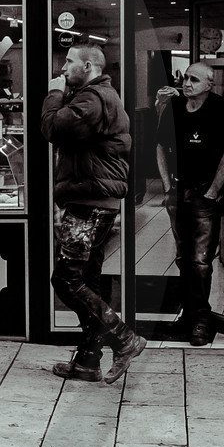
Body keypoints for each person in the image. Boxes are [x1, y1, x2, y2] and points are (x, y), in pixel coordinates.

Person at [39, 44, 147, 384]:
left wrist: (53, 95)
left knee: (66, 279)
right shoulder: (97, 96)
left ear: (88, 65)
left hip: (89, 202)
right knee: (87, 280)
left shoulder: (92, 98)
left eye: (69, 62)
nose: (64, 67)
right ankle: (87, 360)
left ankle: (124, 337)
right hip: (95, 200)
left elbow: (53, 129)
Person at [154, 63, 224, 346]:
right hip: (178, 191)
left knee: (201, 260)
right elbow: (160, 146)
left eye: (193, 79)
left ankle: (201, 319)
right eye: (185, 78)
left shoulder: (218, 108)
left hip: (204, 193)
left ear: (208, 85)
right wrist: (167, 187)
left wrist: (214, 190)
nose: (186, 83)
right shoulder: (175, 108)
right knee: (182, 257)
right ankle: (188, 316)